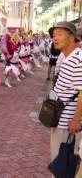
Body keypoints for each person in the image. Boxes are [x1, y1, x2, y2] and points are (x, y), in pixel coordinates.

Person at [48, 21, 82, 167]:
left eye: (59, 34)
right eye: (54, 35)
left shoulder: (78, 60)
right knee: (58, 161)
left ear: (72, 37)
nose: (55, 38)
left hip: (67, 124)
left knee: (62, 163)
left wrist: (75, 121)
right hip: (59, 118)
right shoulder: (67, 57)